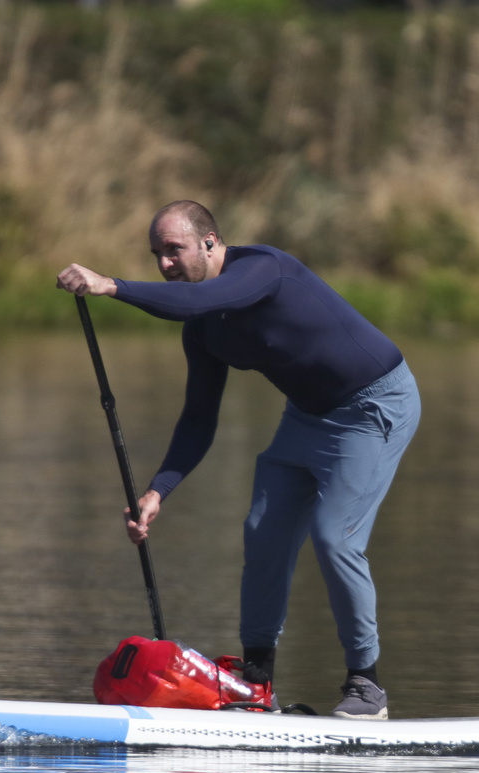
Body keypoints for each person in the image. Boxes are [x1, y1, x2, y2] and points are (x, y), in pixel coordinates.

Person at [57, 200, 419, 719]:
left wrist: (110, 285)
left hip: (374, 405)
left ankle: (368, 687)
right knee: (262, 531)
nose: (164, 265)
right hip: (308, 416)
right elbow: (199, 419)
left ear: (210, 242)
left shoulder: (263, 269)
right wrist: (158, 491)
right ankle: (256, 684)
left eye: (174, 250)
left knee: (335, 536)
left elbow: (195, 300)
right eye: (156, 254)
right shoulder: (204, 329)